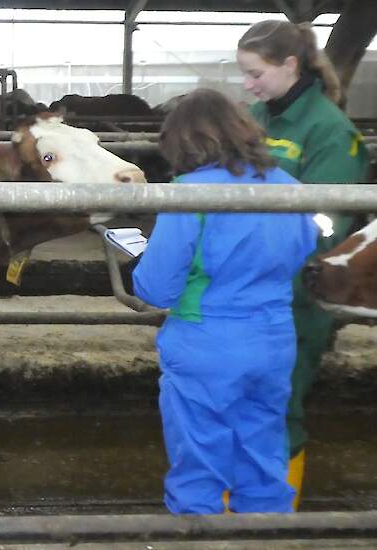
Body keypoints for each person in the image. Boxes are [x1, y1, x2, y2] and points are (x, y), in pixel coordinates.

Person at [133, 88, 319, 514]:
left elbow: (156, 288)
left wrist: (142, 258)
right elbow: (306, 248)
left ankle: (201, 541)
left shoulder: (188, 192)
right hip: (273, 338)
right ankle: (269, 541)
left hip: (206, 341)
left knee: (199, 466)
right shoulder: (289, 185)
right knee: (263, 459)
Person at [237, 19, 371, 509]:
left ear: (290, 65)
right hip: (245, 288)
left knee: (280, 404)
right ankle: (237, 510)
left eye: (255, 73)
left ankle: (274, 515)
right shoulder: (255, 117)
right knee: (239, 401)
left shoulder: (332, 133)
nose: (248, 85)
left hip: (297, 291)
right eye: (244, 74)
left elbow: (327, 224)